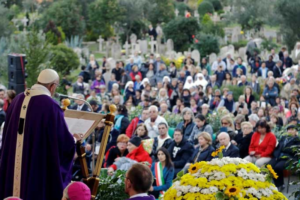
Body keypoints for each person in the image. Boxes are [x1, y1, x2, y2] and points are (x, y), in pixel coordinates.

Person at [0, 69, 78, 200]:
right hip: (35, 166)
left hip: (13, 167)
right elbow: (63, 143)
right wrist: (74, 140)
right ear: (52, 86)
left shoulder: (18, 99)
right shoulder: (50, 106)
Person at [268, 124, 300, 190]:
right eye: (289, 129)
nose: (290, 131)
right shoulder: (283, 138)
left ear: (296, 131)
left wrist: (284, 149)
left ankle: (281, 184)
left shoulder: (297, 140)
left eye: (292, 129)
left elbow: (294, 151)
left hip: (289, 158)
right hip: (279, 156)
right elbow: (277, 148)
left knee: (278, 167)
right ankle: (277, 183)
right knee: (269, 166)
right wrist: (276, 154)